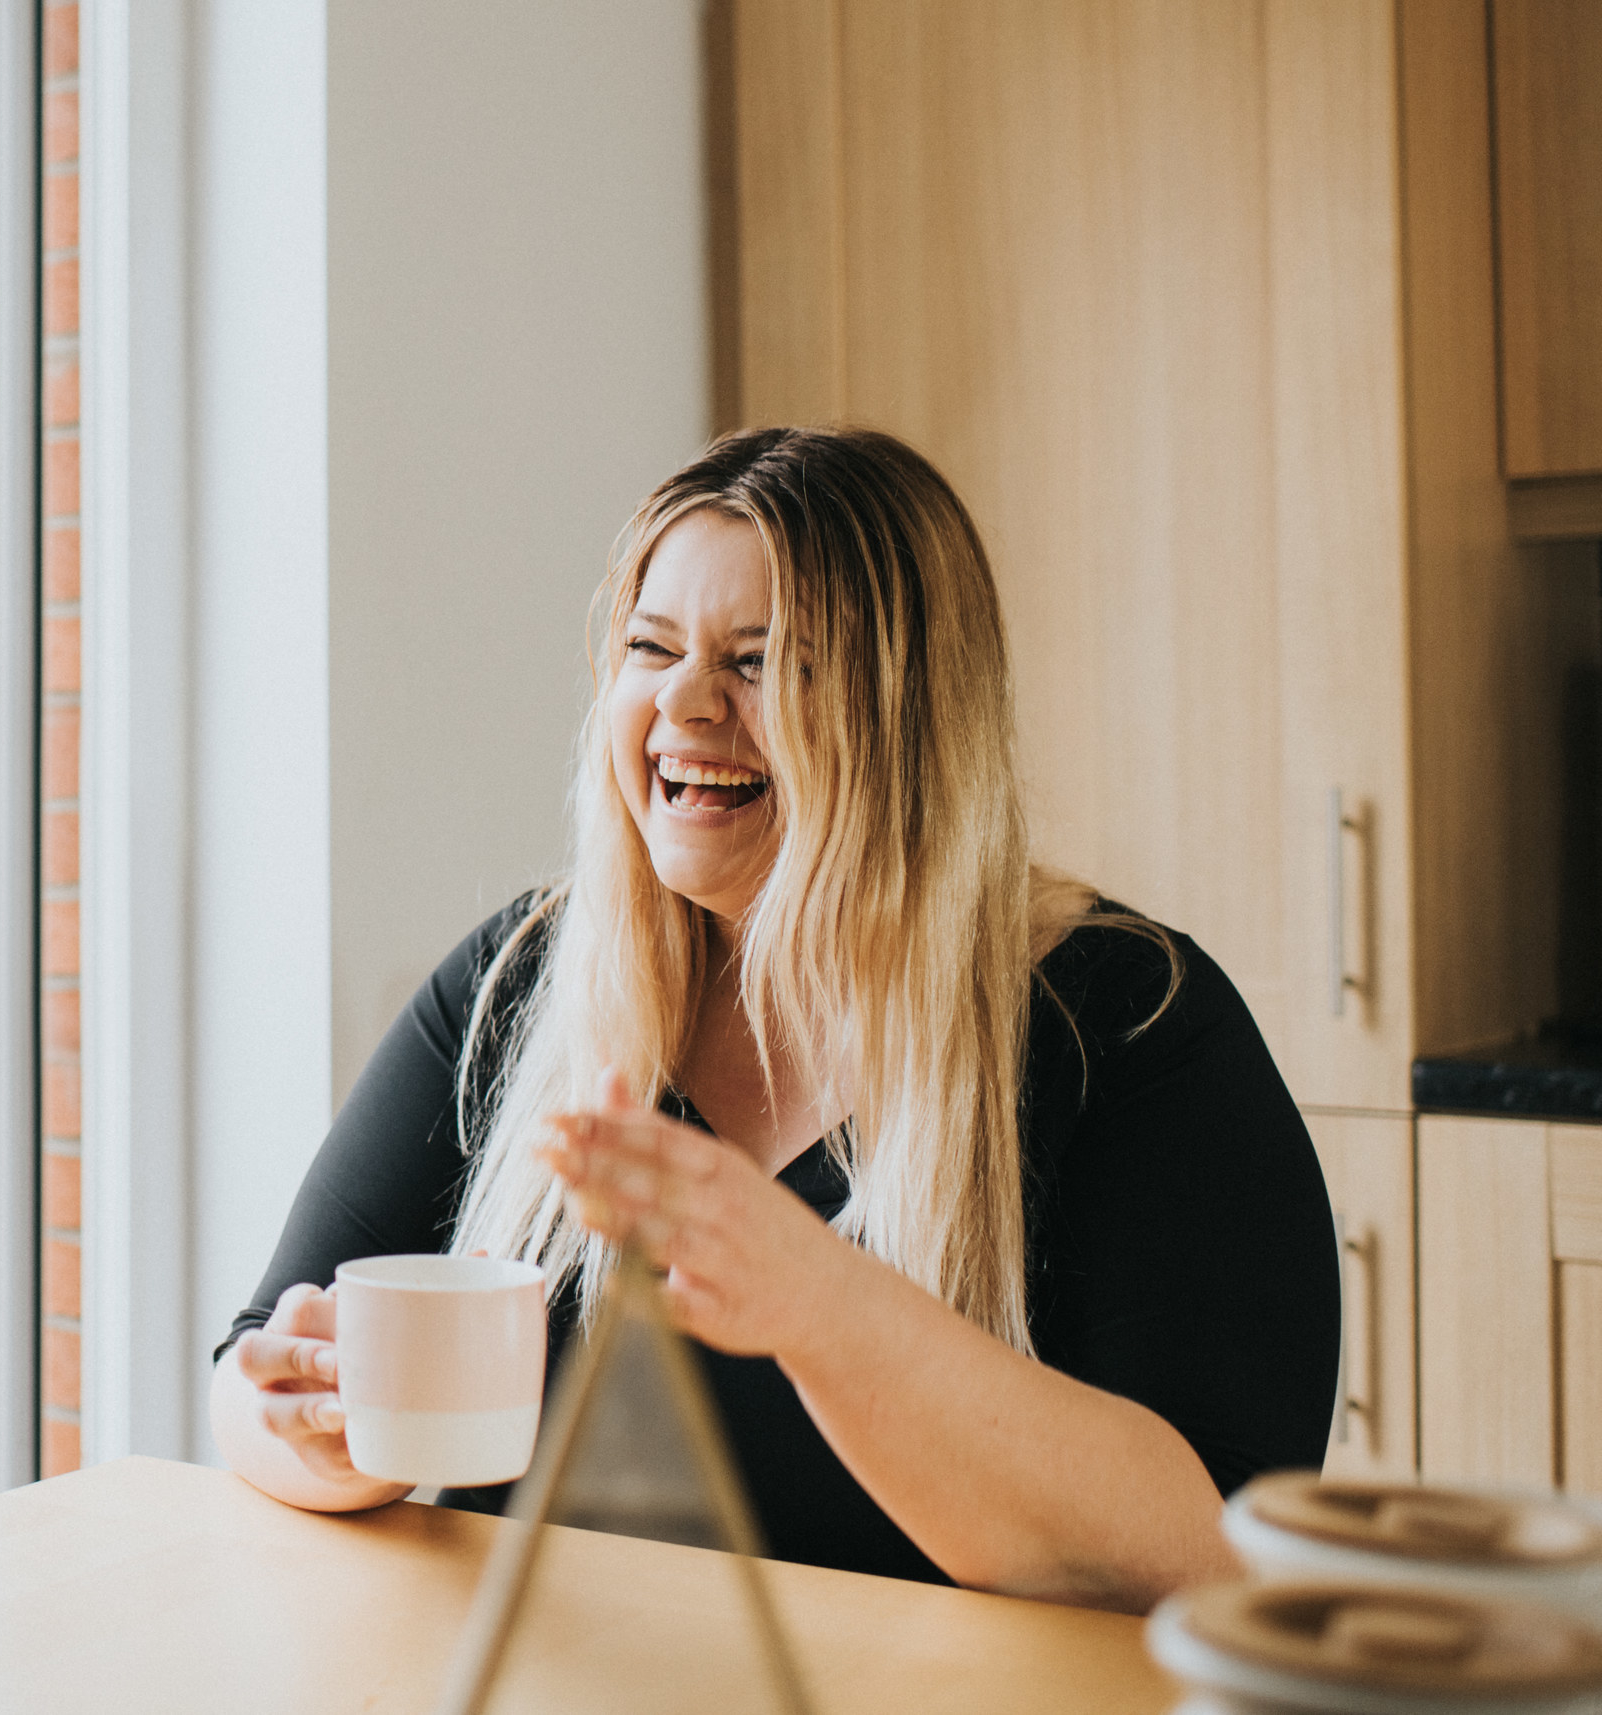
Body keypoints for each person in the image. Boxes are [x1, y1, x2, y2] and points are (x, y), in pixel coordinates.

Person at [215, 426, 1339, 1614]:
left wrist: (817, 1299)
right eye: (651, 648)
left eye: (759, 661)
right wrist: (317, 1430)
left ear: (907, 712)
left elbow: (1222, 1551)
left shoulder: (1130, 1025)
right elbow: (253, 1366)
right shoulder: (521, 983)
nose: (685, 702)